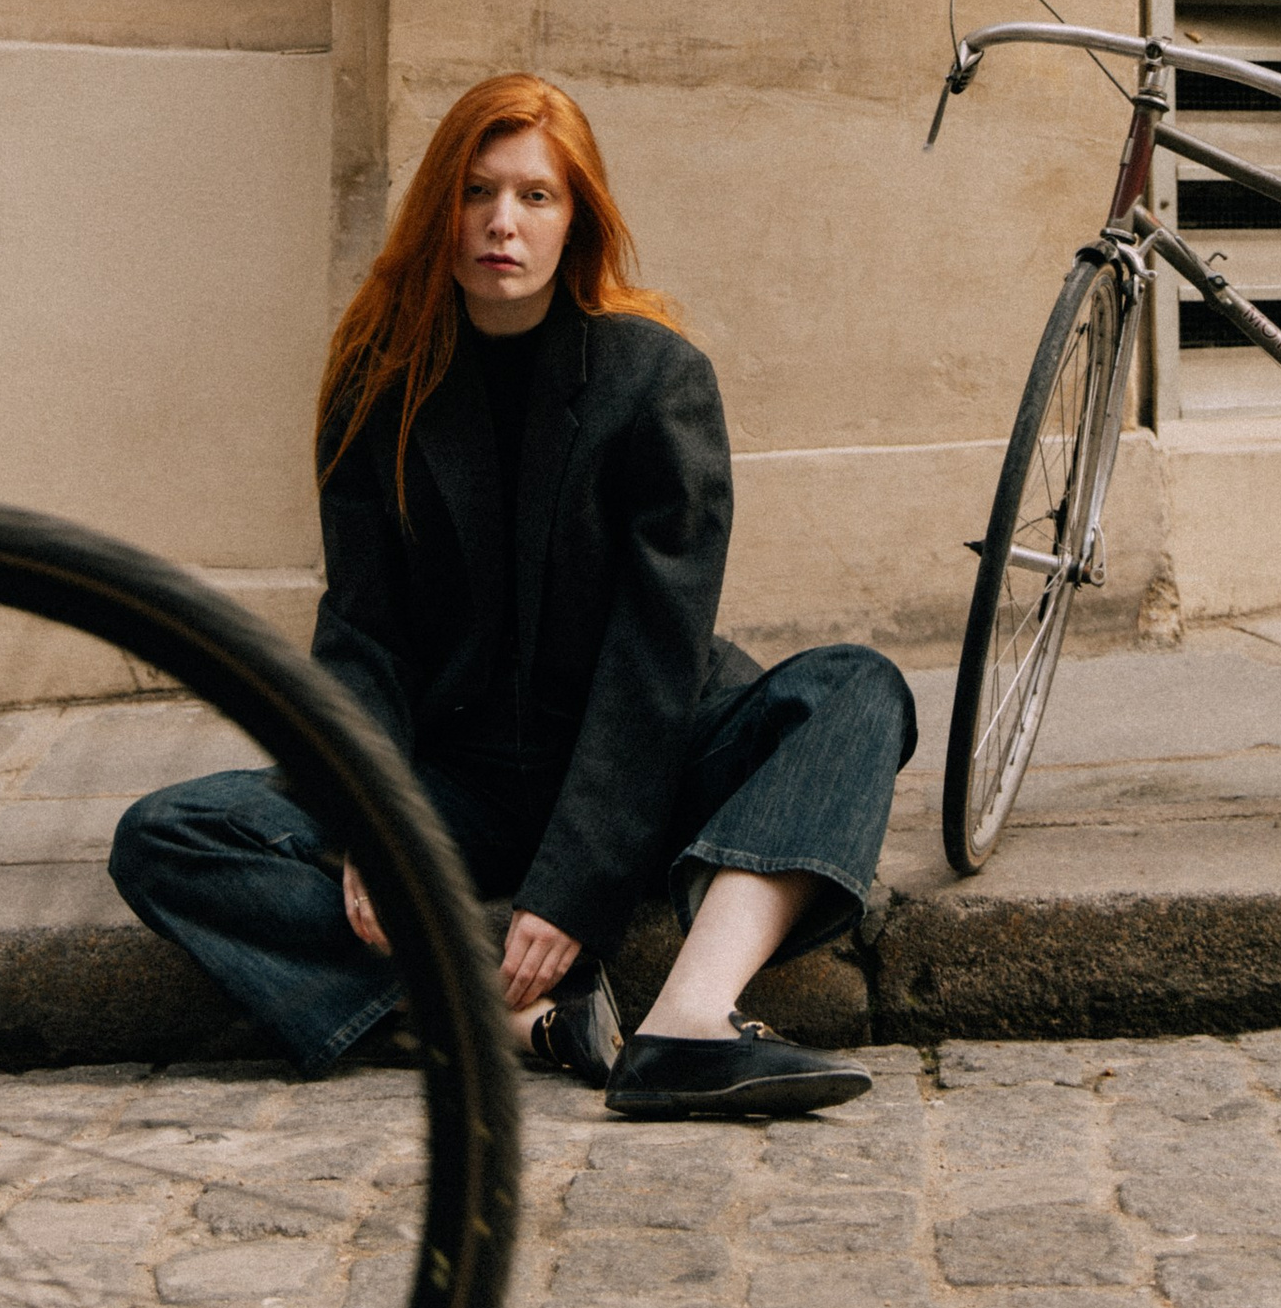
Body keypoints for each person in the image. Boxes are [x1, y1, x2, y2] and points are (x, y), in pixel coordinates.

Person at [110, 72, 917, 1120]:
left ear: (576, 219)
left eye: (537, 196)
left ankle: (687, 1022)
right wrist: (372, 818)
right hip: (465, 781)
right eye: (479, 191)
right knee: (169, 833)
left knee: (858, 691)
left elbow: (654, 654)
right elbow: (361, 632)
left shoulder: (654, 379)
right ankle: (509, 1016)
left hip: (653, 752)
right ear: (440, 206)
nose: (503, 222)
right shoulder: (376, 386)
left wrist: (575, 885)